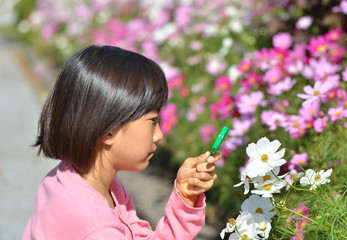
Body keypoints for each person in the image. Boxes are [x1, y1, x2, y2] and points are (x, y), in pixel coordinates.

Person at [22, 45, 221, 240]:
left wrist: (185, 198)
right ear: (108, 130)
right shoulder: (97, 228)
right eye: (152, 121)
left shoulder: (73, 179)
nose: (159, 135)